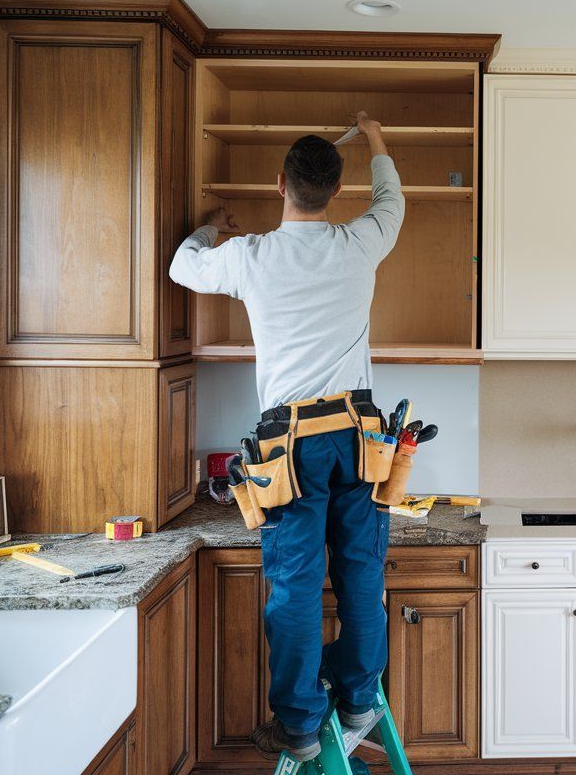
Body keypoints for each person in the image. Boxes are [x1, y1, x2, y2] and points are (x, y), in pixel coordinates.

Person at [169, 113, 403, 760]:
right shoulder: (362, 241)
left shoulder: (250, 257)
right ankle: (358, 697)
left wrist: (211, 228)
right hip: (359, 438)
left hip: (289, 447)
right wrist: (375, 135)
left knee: (297, 585)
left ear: (280, 185)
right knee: (361, 573)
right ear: (335, 189)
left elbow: (183, 266)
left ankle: (300, 723)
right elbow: (393, 199)